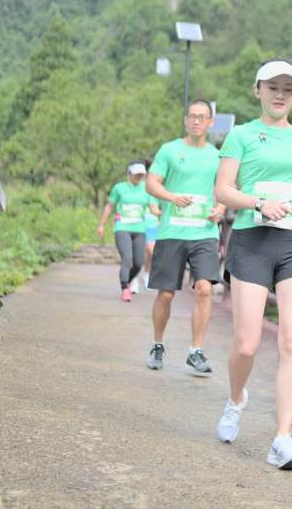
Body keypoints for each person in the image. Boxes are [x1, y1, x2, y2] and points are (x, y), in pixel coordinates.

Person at [213, 59, 292, 471]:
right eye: (272, 87)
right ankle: (236, 399)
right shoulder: (242, 135)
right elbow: (223, 190)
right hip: (252, 240)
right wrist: (259, 202)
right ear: (258, 90)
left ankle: (283, 438)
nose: (280, 94)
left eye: (287, 88)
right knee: (246, 343)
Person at [144, 100, 226, 375]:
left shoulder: (217, 156)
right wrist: (171, 197)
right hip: (173, 231)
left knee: (205, 289)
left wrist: (221, 208)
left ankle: (196, 351)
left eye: (202, 117)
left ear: (210, 122)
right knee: (166, 294)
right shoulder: (170, 150)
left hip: (204, 233)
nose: (196, 121)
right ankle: (157, 344)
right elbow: (151, 182)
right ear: (185, 120)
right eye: (192, 116)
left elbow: (224, 189)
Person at [97, 161, 154, 302]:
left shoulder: (146, 188)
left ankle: (126, 281)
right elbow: (110, 206)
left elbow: (153, 208)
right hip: (122, 228)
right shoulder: (119, 188)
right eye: (136, 175)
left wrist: (162, 213)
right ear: (129, 174)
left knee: (139, 262)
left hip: (140, 229)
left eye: (141, 175)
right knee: (127, 258)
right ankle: (124, 289)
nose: (139, 177)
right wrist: (102, 224)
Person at [140, 158, 159, 291]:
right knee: (145, 252)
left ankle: (146, 274)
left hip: (154, 223)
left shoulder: (160, 185)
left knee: (150, 253)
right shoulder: (139, 185)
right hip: (139, 223)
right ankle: (136, 278)